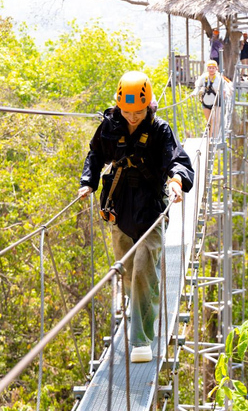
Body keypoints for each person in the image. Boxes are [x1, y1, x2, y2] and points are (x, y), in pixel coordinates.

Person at [77, 71, 194, 363]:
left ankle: (141, 339)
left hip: (151, 210)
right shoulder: (109, 126)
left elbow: (177, 160)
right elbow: (95, 154)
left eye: (138, 111)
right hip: (119, 210)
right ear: (119, 106)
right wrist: (88, 182)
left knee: (143, 269)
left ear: (149, 105)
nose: (132, 117)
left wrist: (176, 181)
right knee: (129, 272)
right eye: (127, 111)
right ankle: (137, 301)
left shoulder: (159, 130)